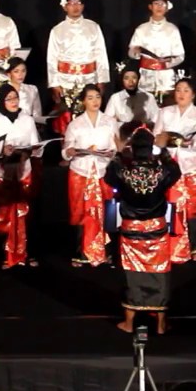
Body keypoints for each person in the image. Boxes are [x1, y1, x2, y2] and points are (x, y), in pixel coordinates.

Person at [107, 125, 183, 334]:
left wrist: (119, 152)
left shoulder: (124, 170)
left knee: (132, 274)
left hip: (131, 229)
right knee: (159, 273)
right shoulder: (161, 170)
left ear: (132, 148)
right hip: (156, 228)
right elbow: (175, 172)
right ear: (151, 148)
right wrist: (164, 150)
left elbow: (109, 176)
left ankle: (129, 323)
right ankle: (160, 324)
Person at [153, 78, 196, 262]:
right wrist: (161, 143)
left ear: (193, 94)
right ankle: (171, 245)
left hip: (193, 165)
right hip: (170, 165)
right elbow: (156, 138)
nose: (181, 94)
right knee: (171, 204)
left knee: (195, 206)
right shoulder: (164, 112)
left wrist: (190, 143)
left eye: (186, 90)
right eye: (178, 90)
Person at [0, 83, 42, 269]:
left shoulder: (27, 120)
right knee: (3, 214)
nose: (13, 102)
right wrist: (2, 150)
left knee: (25, 212)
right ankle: (4, 255)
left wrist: (28, 151)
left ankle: (25, 252)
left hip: (22, 169)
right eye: (9, 99)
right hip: (1, 172)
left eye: (15, 97)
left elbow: (36, 145)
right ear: (1, 101)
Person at [63, 85, 118, 267]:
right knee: (80, 210)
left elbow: (116, 145)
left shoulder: (110, 121)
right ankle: (81, 253)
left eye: (97, 97)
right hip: (81, 171)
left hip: (103, 170)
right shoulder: (75, 123)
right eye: (90, 98)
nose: (95, 101)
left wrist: (111, 152)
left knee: (106, 209)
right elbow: (66, 150)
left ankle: (106, 251)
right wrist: (70, 151)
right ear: (83, 101)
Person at [46, 0, 110, 134]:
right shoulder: (57, 30)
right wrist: (54, 83)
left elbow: (100, 54)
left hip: (88, 78)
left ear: (83, 6)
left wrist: (102, 79)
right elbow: (52, 58)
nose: (75, 7)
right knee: (66, 117)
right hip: (66, 79)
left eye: (78, 3)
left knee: (88, 115)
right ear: (65, 6)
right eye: (71, 4)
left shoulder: (93, 27)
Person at [129, 0, 186, 102]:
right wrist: (135, 51)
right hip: (146, 76)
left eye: (162, 4)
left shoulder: (172, 29)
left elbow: (180, 55)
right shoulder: (141, 29)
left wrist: (166, 63)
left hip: (166, 77)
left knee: (166, 108)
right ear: (150, 7)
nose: (159, 7)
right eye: (156, 4)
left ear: (167, 7)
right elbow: (132, 51)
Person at [105, 59, 158, 128]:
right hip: (122, 133)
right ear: (122, 80)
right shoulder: (115, 98)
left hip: (143, 133)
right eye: (126, 78)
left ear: (138, 79)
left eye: (134, 77)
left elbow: (156, 119)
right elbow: (107, 120)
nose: (130, 81)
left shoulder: (148, 97)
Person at [3, 57, 45, 122]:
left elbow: (37, 115)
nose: (20, 75)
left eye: (23, 71)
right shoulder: (1, 91)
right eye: (16, 71)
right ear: (8, 74)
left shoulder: (32, 89)